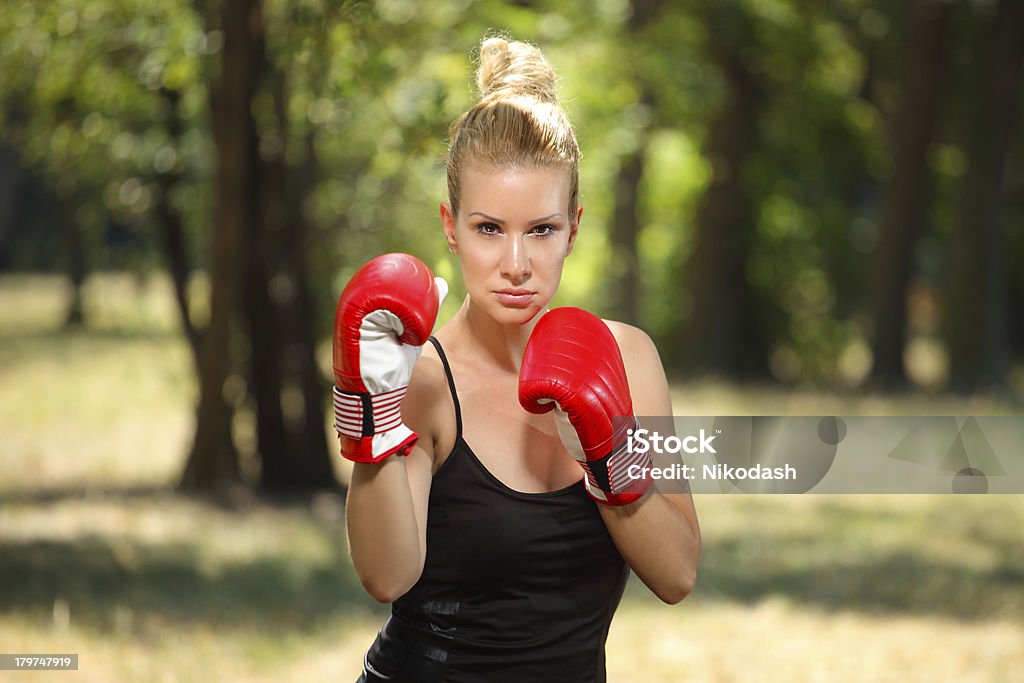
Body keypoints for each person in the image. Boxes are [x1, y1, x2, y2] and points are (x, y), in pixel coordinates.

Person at [333, 35, 701, 682]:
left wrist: (609, 463)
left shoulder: (630, 358)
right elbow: (385, 575)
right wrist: (372, 409)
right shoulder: (420, 376)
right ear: (450, 226)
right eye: (488, 229)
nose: (516, 264)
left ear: (574, 226)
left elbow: (677, 573)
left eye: (541, 229)